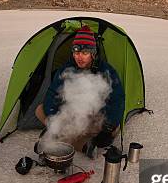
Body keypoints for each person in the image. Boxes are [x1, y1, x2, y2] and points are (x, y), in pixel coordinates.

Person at [35, 25, 125, 158]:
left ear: (93, 54)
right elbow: (52, 94)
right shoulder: (66, 69)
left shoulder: (107, 71)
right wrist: (54, 118)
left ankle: (64, 137)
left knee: (113, 128)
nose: (79, 57)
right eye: (76, 53)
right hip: (73, 115)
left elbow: (118, 99)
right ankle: (83, 145)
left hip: (96, 116)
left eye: (84, 53)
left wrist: (108, 126)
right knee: (40, 110)